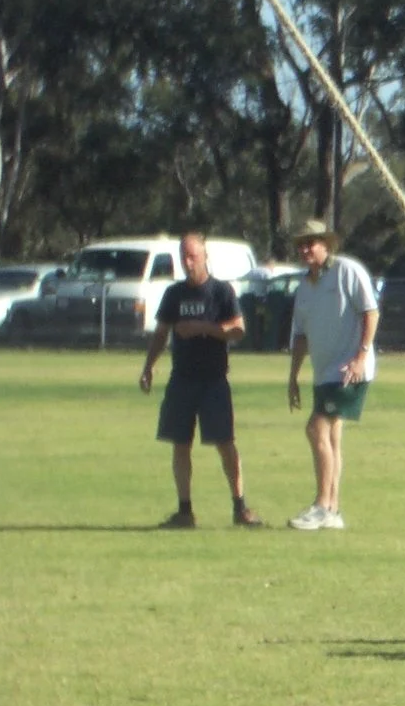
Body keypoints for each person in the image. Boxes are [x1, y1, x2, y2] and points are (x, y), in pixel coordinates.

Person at [138, 231, 262, 529]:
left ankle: (240, 506)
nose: (187, 262)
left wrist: (204, 328)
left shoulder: (221, 292)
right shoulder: (174, 294)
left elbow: (238, 330)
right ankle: (184, 510)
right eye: (183, 256)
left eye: (193, 255)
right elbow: (161, 333)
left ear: (205, 256)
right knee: (180, 443)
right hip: (182, 379)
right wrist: (148, 366)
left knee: (225, 443)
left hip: (214, 380)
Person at [285, 219, 378, 530]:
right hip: (323, 372)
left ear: (327, 244)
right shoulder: (304, 286)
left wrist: (361, 356)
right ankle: (333, 510)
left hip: (349, 370)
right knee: (332, 437)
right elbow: (300, 335)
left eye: (312, 242)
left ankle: (322, 505)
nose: (306, 249)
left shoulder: (347, 271)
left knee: (316, 429)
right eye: (301, 244)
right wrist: (293, 376)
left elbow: (370, 312)